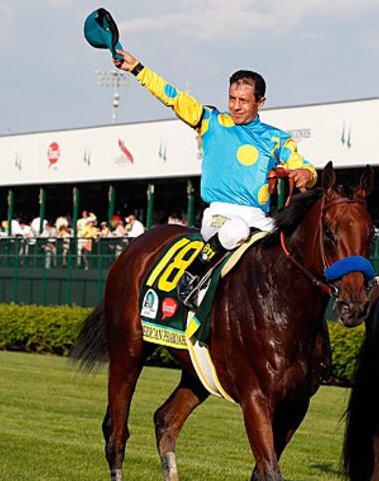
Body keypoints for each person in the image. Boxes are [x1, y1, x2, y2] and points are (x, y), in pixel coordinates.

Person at [114, 49, 316, 308]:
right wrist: (137, 69)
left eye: (243, 100)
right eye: (232, 98)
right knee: (236, 230)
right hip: (221, 216)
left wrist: (306, 175)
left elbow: (306, 168)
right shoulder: (211, 121)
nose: (235, 106)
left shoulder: (276, 138)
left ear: (260, 102)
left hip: (258, 218)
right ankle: (192, 275)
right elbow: (172, 97)